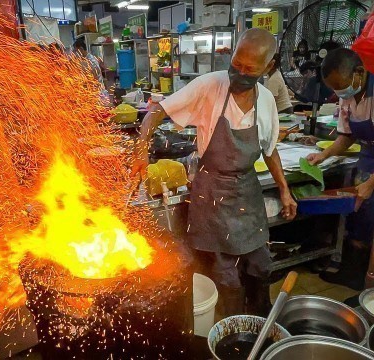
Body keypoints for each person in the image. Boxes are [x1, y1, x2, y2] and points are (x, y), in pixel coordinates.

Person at [131, 28, 297, 317]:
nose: (239, 73)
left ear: (268, 67)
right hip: (212, 193)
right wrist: (140, 150)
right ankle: (229, 328)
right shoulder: (209, 86)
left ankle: (259, 323)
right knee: (225, 272)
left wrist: (284, 189)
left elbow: (270, 150)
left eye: (249, 69)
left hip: (247, 191)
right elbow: (157, 112)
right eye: (236, 64)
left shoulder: (267, 100)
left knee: (260, 264)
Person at [307, 48, 373, 290]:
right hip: (367, 157)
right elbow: (346, 137)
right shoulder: (347, 96)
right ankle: (352, 274)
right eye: (334, 88)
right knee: (359, 216)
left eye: (341, 86)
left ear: (359, 72)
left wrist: (371, 182)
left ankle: (367, 283)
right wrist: (323, 155)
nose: (339, 92)